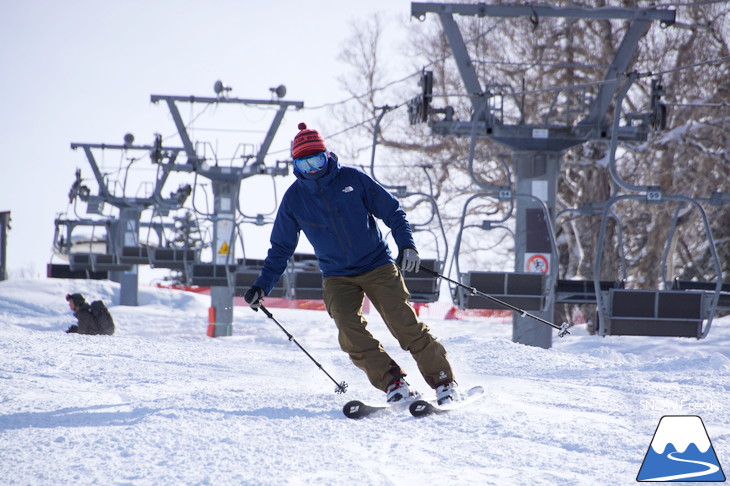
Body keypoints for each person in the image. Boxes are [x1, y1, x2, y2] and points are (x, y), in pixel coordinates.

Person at [244, 122, 460, 405]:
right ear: (295, 164)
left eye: (317, 160)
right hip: (337, 275)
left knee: (403, 323)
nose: (314, 168)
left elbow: (393, 211)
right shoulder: (294, 199)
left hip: (377, 265)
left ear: (327, 156)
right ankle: (393, 382)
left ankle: (444, 382)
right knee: (348, 328)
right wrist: (263, 285)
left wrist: (406, 245)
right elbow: (281, 248)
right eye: (306, 163)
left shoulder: (352, 179)